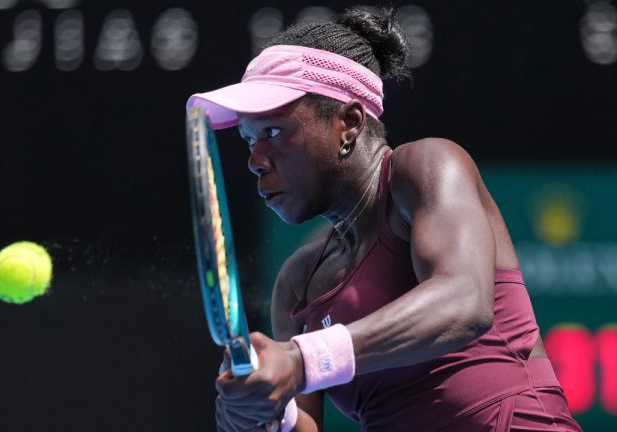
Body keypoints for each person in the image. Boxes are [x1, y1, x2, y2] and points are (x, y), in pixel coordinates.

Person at [186, 6, 583, 432]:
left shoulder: (427, 166)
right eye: (248, 139)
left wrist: (303, 358)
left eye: (274, 132)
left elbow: (464, 302)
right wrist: (263, 415)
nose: (255, 161)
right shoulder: (297, 282)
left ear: (350, 122)